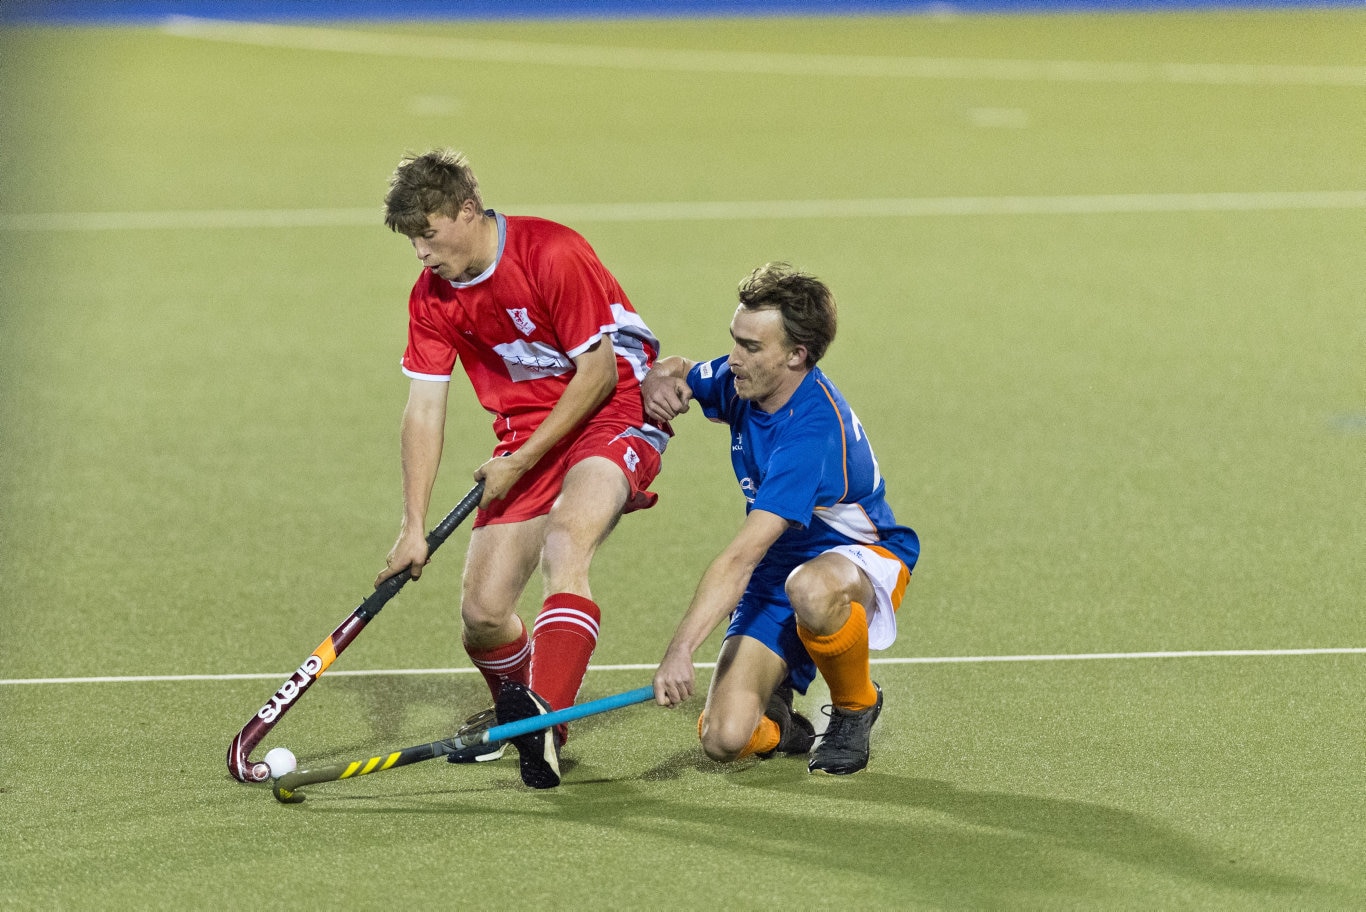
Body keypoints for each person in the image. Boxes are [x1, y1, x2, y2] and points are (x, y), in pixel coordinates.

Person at [375, 149, 669, 789]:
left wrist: (523, 461)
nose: (421, 253)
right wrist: (413, 526)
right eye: (412, 240)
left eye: (428, 233)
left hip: (612, 409)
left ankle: (543, 726)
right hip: (525, 435)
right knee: (482, 615)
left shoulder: (550, 252)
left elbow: (596, 374)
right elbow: (424, 409)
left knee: (568, 539)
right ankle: (525, 708)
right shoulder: (431, 297)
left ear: (468, 211)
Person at [644, 263, 918, 775]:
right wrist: (661, 378)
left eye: (751, 347)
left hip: (857, 560)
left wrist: (681, 649)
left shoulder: (809, 435)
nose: (733, 359)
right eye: (735, 341)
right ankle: (784, 724)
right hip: (779, 567)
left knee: (810, 588)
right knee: (724, 739)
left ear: (797, 355)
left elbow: (742, 556)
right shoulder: (744, 380)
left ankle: (856, 706)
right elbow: (682, 369)